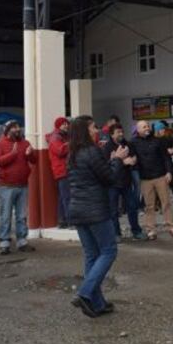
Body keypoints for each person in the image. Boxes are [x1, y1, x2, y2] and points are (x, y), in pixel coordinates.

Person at [66, 115, 129, 318]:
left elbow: (94, 175)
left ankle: (98, 303)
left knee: (92, 255)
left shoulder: (73, 154)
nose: (97, 130)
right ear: (85, 131)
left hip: (77, 210)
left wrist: (110, 160)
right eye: (93, 127)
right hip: (95, 210)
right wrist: (118, 160)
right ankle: (85, 293)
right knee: (109, 251)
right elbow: (109, 178)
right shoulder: (92, 151)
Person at [0, 120, 37, 256]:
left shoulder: (25, 143)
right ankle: (4, 242)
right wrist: (13, 153)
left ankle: (22, 241)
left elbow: (34, 161)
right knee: (5, 215)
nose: (17, 129)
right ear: (7, 130)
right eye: (14, 128)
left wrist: (30, 154)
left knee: (22, 215)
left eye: (18, 127)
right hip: (6, 186)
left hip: (23, 184)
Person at [132, 120, 173, 239]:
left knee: (166, 203)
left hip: (160, 176)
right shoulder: (133, 142)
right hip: (145, 179)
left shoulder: (158, 140)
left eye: (147, 126)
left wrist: (169, 172)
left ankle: (171, 227)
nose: (147, 128)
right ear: (138, 130)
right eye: (143, 127)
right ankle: (150, 230)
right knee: (149, 206)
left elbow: (166, 157)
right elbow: (131, 158)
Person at [102, 123, 144, 241]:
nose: (121, 134)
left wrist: (132, 160)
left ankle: (136, 231)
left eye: (122, 132)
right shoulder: (107, 147)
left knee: (132, 207)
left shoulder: (128, 144)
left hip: (126, 181)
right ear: (111, 134)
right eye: (118, 132)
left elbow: (134, 158)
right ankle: (116, 234)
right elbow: (105, 165)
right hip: (112, 184)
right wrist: (123, 162)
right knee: (113, 210)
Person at [154, 121, 173, 210]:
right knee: (159, 185)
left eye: (164, 128)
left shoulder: (168, 138)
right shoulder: (154, 140)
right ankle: (157, 204)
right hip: (158, 165)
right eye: (162, 129)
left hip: (168, 162)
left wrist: (172, 150)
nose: (164, 130)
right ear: (157, 130)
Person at [47, 116, 71, 228]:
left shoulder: (62, 136)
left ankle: (63, 221)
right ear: (58, 126)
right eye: (63, 124)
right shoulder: (56, 137)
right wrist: (71, 144)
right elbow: (60, 151)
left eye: (66, 123)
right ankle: (70, 221)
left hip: (62, 170)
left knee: (63, 197)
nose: (66, 125)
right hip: (62, 170)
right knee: (67, 197)